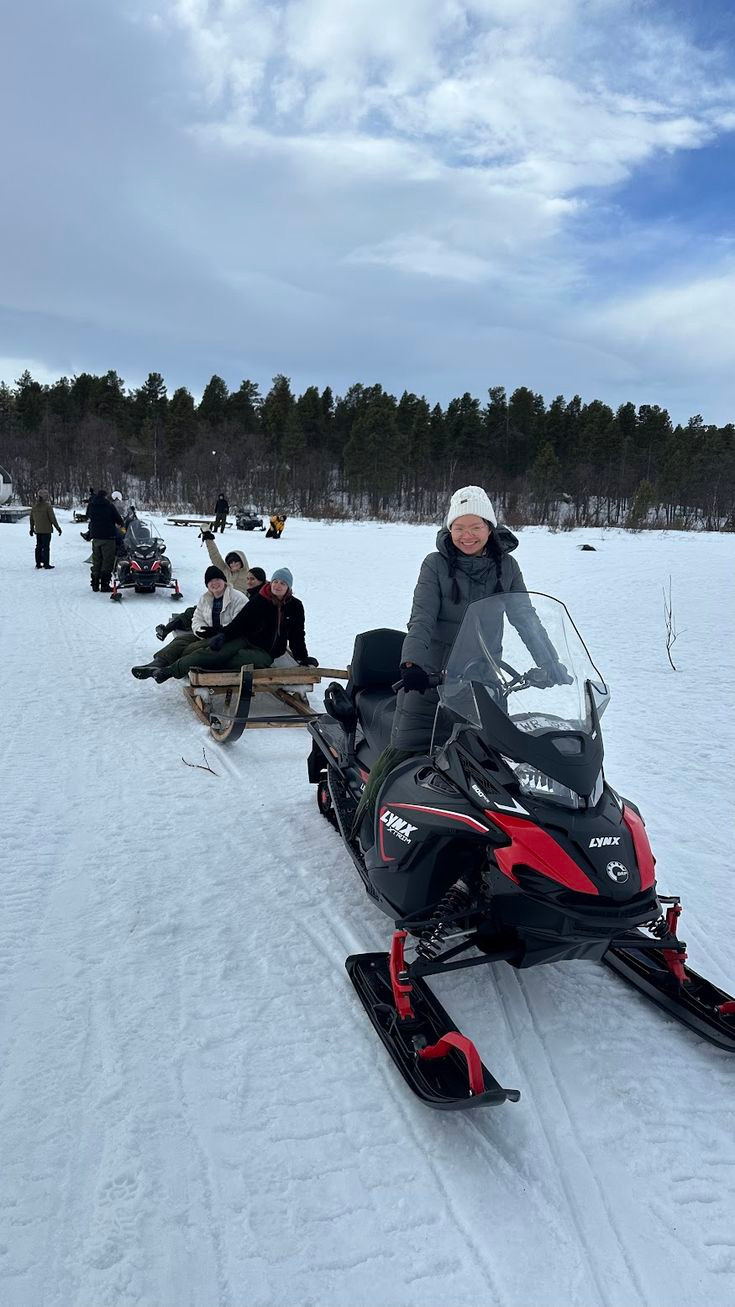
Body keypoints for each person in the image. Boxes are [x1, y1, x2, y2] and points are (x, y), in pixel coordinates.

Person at [354, 485, 568, 835]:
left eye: (476, 527)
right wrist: (412, 666)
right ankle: (366, 825)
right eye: (459, 527)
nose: (467, 536)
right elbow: (421, 619)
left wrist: (550, 662)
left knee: (489, 765)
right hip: (430, 681)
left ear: (490, 527)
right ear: (449, 529)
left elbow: (524, 616)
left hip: (482, 681)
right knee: (402, 755)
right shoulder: (435, 564)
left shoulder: (506, 566)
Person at [132, 565, 252, 681]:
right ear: (207, 585)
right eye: (211, 581)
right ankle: (157, 663)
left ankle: (170, 669)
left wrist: (218, 631)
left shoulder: (238, 598)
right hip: (210, 635)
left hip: (229, 637)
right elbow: (197, 618)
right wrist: (200, 630)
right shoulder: (205, 598)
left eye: (217, 579)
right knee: (180, 641)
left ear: (224, 581)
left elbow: (240, 624)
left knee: (193, 649)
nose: (214, 583)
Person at [153, 537, 251, 643]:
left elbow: (259, 586)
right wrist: (208, 537)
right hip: (217, 599)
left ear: (242, 561)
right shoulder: (225, 571)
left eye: (236, 561)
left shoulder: (249, 575)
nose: (233, 564)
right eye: (230, 562)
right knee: (193, 612)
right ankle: (167, 629)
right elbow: (214, 555)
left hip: (234, 606)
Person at [87, 489, 125, 592]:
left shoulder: (92, 505)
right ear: (105, 496)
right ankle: (104, 585)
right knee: (107, 561)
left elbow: (88, 516)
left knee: (96, 560)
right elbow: (118, 519)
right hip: (108, 537)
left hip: (96, 537)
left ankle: (95, 584)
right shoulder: (109, 506)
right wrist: (120, 524)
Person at [29, 490, 62, 569]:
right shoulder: (48, 506)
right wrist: (58, 528)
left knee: (38, 547)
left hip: (38, 530)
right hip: (46, 530)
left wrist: (31, 529)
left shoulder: (34, 506)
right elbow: (52, 519)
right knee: (46, 547)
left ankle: (38, 563)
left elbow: (31, 519)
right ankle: (46, 564)